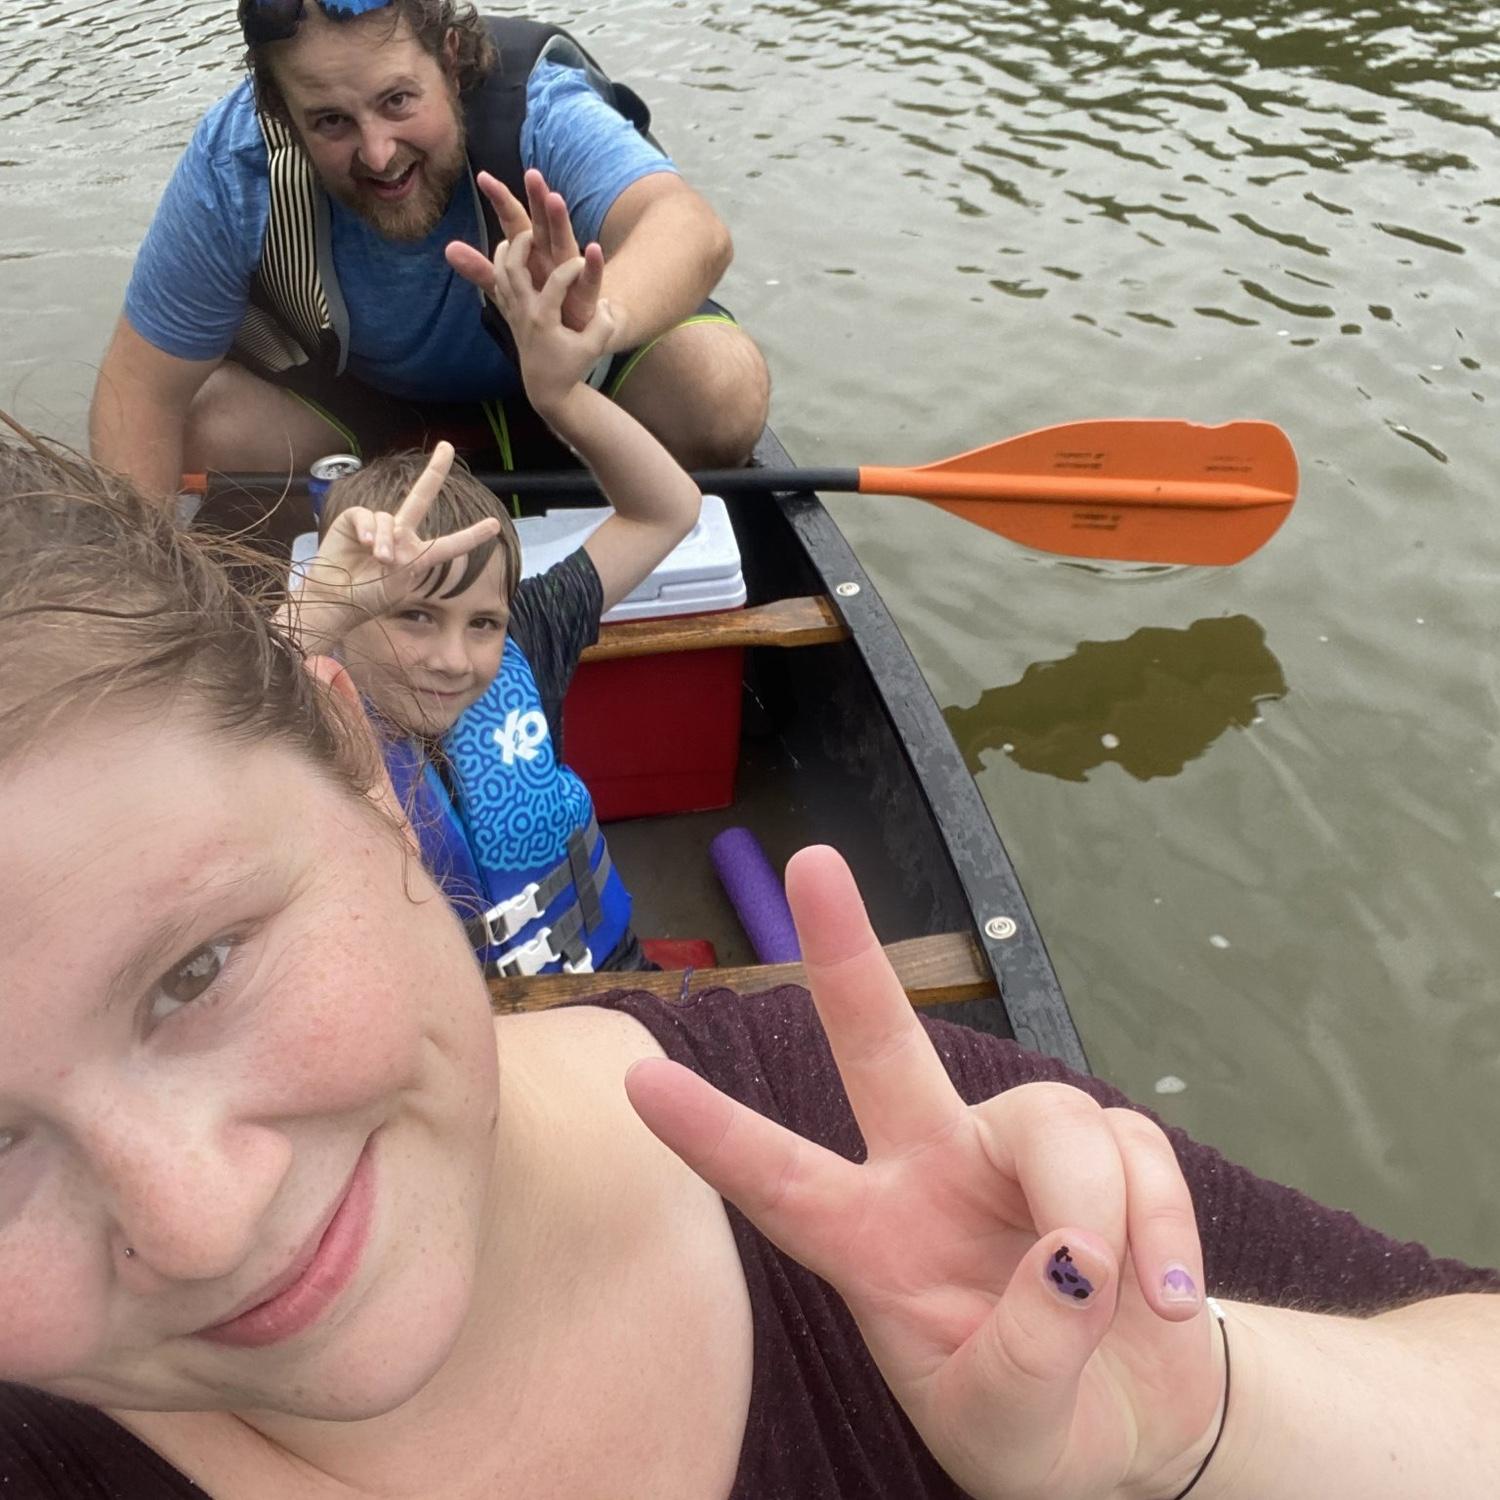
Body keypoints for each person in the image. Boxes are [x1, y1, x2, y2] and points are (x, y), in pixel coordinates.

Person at [0, 432, 1497, 1498]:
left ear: (344, 766)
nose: (199, 1225)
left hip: (603, 975)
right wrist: (318, 608)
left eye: (199, 968)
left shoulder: (836, 1114)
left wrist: (1204, 1422)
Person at [87, 0, 770, 505]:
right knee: (211, 428)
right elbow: (139, 393)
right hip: (368, 416)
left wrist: (595, 323)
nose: (378, 153)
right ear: (279, 109)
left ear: (450, 59)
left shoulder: (538, 107)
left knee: (718, 389)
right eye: (330, 121)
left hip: (576, 390)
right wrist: (141, 604)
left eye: (397, 100)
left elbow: (689, 226)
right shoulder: (235, 165)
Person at [279, 227, 699, 973]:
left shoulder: (526, 634)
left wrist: (561, 394)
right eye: (414, 615)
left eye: (481, 623)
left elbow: (666, 510)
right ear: (344, 620)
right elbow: (206, 733)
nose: (455, 659)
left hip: (605, 976)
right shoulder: (295, 707)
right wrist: (319, 610)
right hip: (439, 1024)